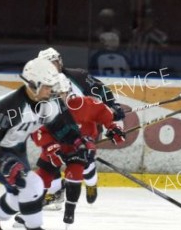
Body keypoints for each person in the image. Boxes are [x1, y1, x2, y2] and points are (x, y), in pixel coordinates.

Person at [0, 58, 82, 230]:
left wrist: (78, 143)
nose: (51, 90)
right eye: (47, 86)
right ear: (33, 85)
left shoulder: (46, 103)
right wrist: (5, 163)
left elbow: (61, 127)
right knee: (33, 184)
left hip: (15, 149)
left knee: (20, 194)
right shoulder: (8, 107)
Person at [19, 74, 125, 226]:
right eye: (53, 94)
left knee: (82, 169)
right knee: (42, 176)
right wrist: (51, 148)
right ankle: (30, 210)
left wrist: (114, 127)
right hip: (56, 146)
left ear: (67, 92)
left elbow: (103, 112)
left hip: (81, 143)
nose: (57, 98)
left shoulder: (84, 104)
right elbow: (38, 131)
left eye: (60, 94)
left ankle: (75, 203)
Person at [38, 47, 125, 205]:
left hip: (84, 127)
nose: (51, 67)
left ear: (60, 62)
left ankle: (91, 183)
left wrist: (113, 106)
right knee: (50, 158)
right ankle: (56, 192)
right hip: (56, 129)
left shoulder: (78, 76)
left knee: (85, 163)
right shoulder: (39, 84)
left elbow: (100, 90)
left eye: (54, 63)